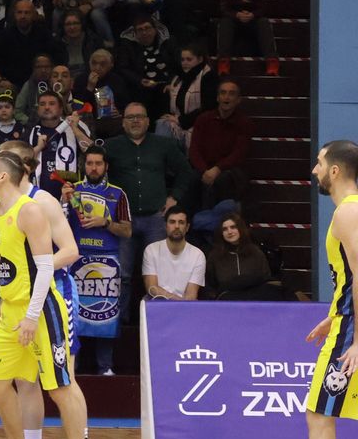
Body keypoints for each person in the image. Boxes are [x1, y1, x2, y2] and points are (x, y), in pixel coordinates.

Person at [0, 153, 94, 439]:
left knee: (59, 385)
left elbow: (44, 268)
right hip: (10, 309)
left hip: (41, 309)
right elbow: (0, 262)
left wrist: (30, 314)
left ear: (4, 178)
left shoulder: (31, 210)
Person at [267, 140, 358, 439]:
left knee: (319, 415)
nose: (314, 170)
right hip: (344, 320)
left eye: (319, 163)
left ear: (335, 170)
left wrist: (354, 335)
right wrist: (334, 313)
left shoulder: (347, 213)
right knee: (320, 415)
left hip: (351, 331)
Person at [102, 102, 195, 317]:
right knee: (122, 274)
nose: (135, 120)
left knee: (158, 273)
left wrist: (174, 198)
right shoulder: (111, 146)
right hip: (124, 220)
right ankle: (120, 322)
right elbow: (94, 171)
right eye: (130, 117)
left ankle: (158, 318)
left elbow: (186, 171)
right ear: (123, 123)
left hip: (156, 217)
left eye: (140, 116)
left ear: (147, 121)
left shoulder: (163, 144)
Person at [61, 147, 131, 375]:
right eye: (89, 163)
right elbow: (59, 225)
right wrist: (63, 201)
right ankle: (72, 366)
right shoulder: (73, 191)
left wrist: (105, 222)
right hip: (77, 258)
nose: (93, 167)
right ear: (83, 166)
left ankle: (105, 366)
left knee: (106, 315)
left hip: (108, 260)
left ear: (106, 166)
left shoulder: (118, 193)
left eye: (98, 163)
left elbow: (128, 231)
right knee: (74, 314)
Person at [188, 78, 253, 222]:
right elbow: (194, 150)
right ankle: (194, 226)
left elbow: (239, 153)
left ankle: (221, 225)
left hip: (230, 170)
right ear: (217, 97)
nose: (226, 97)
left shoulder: (244, 123)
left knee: (223, 180)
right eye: (223, 93)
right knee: (192, 179)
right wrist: (205, 170)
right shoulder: (203, 119)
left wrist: (217, 169)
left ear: (238, 99)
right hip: (204, 169)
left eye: (231, 94)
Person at [218, 0, 280, 76]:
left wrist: (252, 15)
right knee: (225, 22)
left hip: (253, 21)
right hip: (234, 21)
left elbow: (263, 7)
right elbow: (223, 8)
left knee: (264, 22)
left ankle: (272, 62)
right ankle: (223, 63)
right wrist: (237, 15)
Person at [206, 211, 282, 301]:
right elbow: (210, 285)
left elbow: (266, 280)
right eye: (225, 229)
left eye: (233, 227)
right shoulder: (215, 256)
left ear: (241, 229)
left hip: (254, 301)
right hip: (226, 303)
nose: (229, 232)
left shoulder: (256, 253)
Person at [142, 209, 205, 301]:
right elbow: (152, 288)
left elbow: (191, 296)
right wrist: (175, 300)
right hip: (157, 302)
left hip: (184, 307)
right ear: (166, 226)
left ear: (187, 227)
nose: (176, 226)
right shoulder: (151, 250)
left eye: (181, 222)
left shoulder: (198, 255)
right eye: (172, 222)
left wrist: (176, 305)